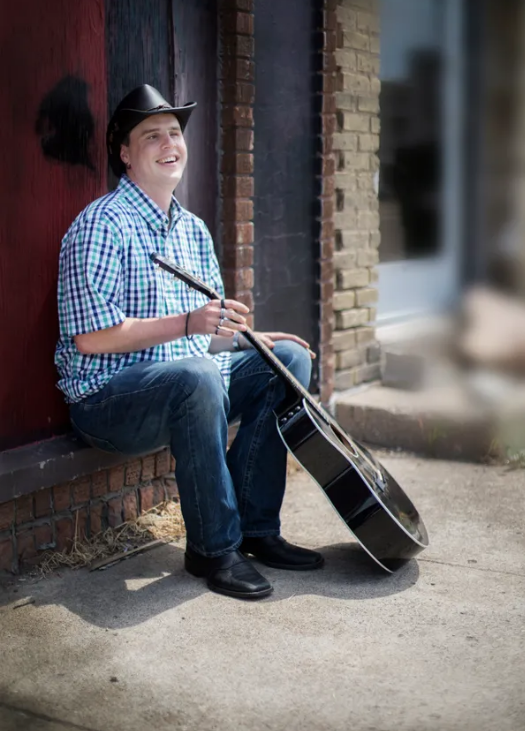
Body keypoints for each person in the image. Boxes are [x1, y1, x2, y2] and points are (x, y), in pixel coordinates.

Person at [55, 85, 323, 600]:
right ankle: (212, 549)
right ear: (126, 154)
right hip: (108, 398)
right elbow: (90, 339)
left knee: (285, 360)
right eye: (151, 136)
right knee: (197, 377)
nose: (168, 143)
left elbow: (209, 331)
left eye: (174, 133)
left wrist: (255, 340)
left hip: (185, 380)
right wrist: (187, 323)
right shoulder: (99, 225)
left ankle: (256, 530)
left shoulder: (193, 230)